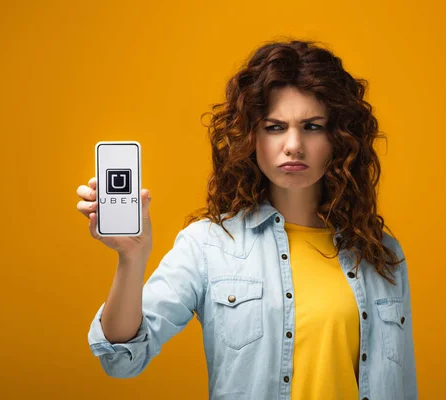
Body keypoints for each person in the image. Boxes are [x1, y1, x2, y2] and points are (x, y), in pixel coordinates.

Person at [76, 39, 417, 400]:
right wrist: (131, 258)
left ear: (339, 139)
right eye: (274, 127)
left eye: (313, 127)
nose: (293, 145)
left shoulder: (381, 254)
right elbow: (122, 358)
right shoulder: (208, 245)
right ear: (251, 136)